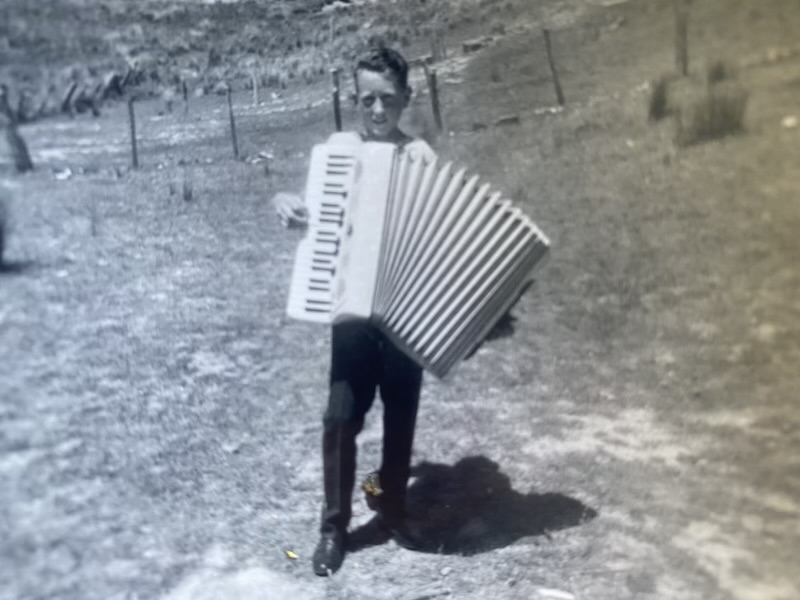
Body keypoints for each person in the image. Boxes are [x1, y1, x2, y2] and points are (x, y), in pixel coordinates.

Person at [273, 44, 435, 576]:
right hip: (349, 316)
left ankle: (390, 505)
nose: (377, 111)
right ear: (354, 100)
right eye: (367, 100)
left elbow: (439, 237)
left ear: (406, 99)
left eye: (388, 100)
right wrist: (289, 207)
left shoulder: (421, 158)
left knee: (401, 416)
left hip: (404, 316)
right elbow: (309, 213)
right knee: (340, 417)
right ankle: (333, 527)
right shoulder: (338, 150)